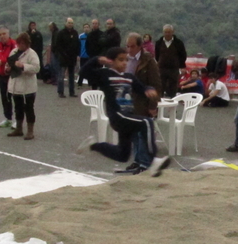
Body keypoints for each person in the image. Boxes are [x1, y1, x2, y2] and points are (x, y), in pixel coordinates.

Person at [77, 47, 170, 177]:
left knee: (122, 155)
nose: (125, 63)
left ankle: (93, 145)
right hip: (117, 116)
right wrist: (97, 60)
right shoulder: (105, 75)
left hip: (127, 117)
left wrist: (148, 90)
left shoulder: (129, 77)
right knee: (147, 122)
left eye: (126, 60)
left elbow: (141, 88)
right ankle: (153, 161)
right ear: (111, 61)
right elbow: (83, 72)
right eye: (121, 60)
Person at [125, 32, 162, 173]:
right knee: (133, 134)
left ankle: (145, 163)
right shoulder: (127, 59)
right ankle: (136, 160)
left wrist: (153, 105)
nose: (129, 49)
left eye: (132, 46)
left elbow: (156, 85)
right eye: (127, 46)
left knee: (143, 134)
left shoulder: (149, 61)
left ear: (140, 46)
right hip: (128, 102)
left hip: (143, 103)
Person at [4, 32, 41, 140]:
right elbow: (7, 65)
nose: (20, 45)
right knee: (18, 108)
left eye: (22, 44)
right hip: (15, 86)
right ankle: (19, 128)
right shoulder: (14, 52)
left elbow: (36, 68)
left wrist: (23, 66)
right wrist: (7, 69)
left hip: (28, 88)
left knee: (29, 109)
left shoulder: (32, 54)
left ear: (27, 44)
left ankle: (30, 131)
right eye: (19, 43)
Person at [0, 26, 18, 128]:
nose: (2, 36)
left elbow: (15, 57)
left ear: (8, 34)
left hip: (12, 75)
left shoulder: (13, 44)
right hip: (1, 75)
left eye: (4, 34)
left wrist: (2, 61)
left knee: (15, 97)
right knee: (4, 98)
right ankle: (8, 118)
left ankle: (18, 120)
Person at [155, 24, 187, 98]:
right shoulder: (158, 42)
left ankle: (172, 106)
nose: (167, 34)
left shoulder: (178, 43)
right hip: (161, 68)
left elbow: (183, 55)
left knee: (173, 87)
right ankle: (159, 105)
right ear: (163, 32)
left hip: (174, 68)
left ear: (173, 32)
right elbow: (157, 55)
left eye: (169, 32)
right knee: (160, 86)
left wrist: (182, 66)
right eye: (165, 32)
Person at [55, 18, 79, 98]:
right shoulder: (61, 33)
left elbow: (77, 44)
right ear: (65, 23)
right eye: (69, 23)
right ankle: (60, 91)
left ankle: (71, 92)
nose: (70, 24)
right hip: (63, 57)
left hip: (72, 57)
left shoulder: (75, 33)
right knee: (61, 75)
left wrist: (77, 54)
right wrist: (63, 54)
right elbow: (58, 45)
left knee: (71, 76)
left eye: (71, 23)